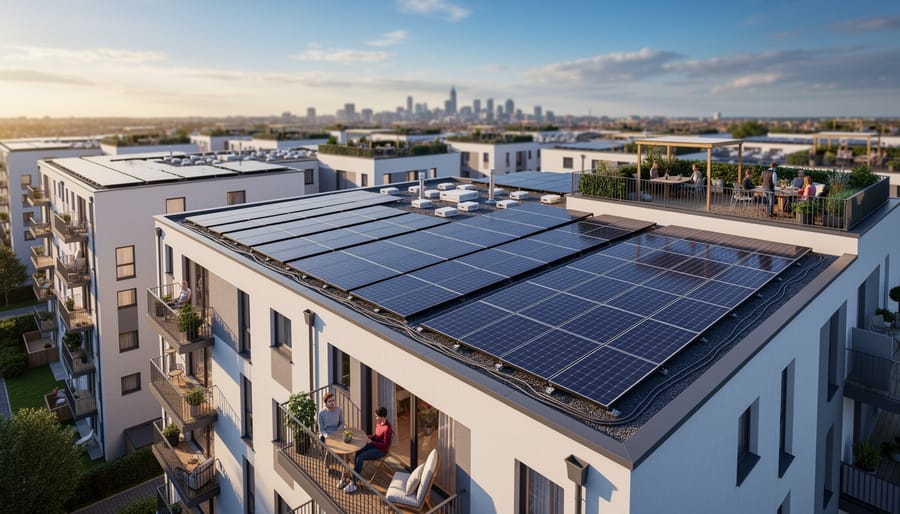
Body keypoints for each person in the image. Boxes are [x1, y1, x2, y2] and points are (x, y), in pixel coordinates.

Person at [342, 406, 392, 493]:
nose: (376, 418)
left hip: (380, 451)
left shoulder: (387, 429)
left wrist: (371, 442)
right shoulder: (379, 423)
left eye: (377, 416)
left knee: (360, 458)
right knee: (359, 450)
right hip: (374, 445)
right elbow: (376, 436)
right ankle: (355, 475)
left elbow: (384, 445)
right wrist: (370, 437)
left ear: (382, 416)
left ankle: (353, 483)